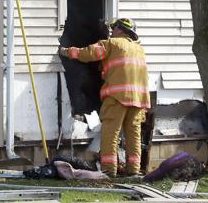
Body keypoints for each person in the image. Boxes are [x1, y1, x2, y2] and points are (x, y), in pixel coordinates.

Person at [59, 18, 149, 177]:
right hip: (139, 99)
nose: (111, 31)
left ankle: (108, 170)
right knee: (133, 134)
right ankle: (133, 171)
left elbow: (88, 53)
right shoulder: (139, 49)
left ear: (121, 30)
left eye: (114, 28)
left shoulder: (112, 44)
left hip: (117, 97)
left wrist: (66, 51)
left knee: (110, 133)